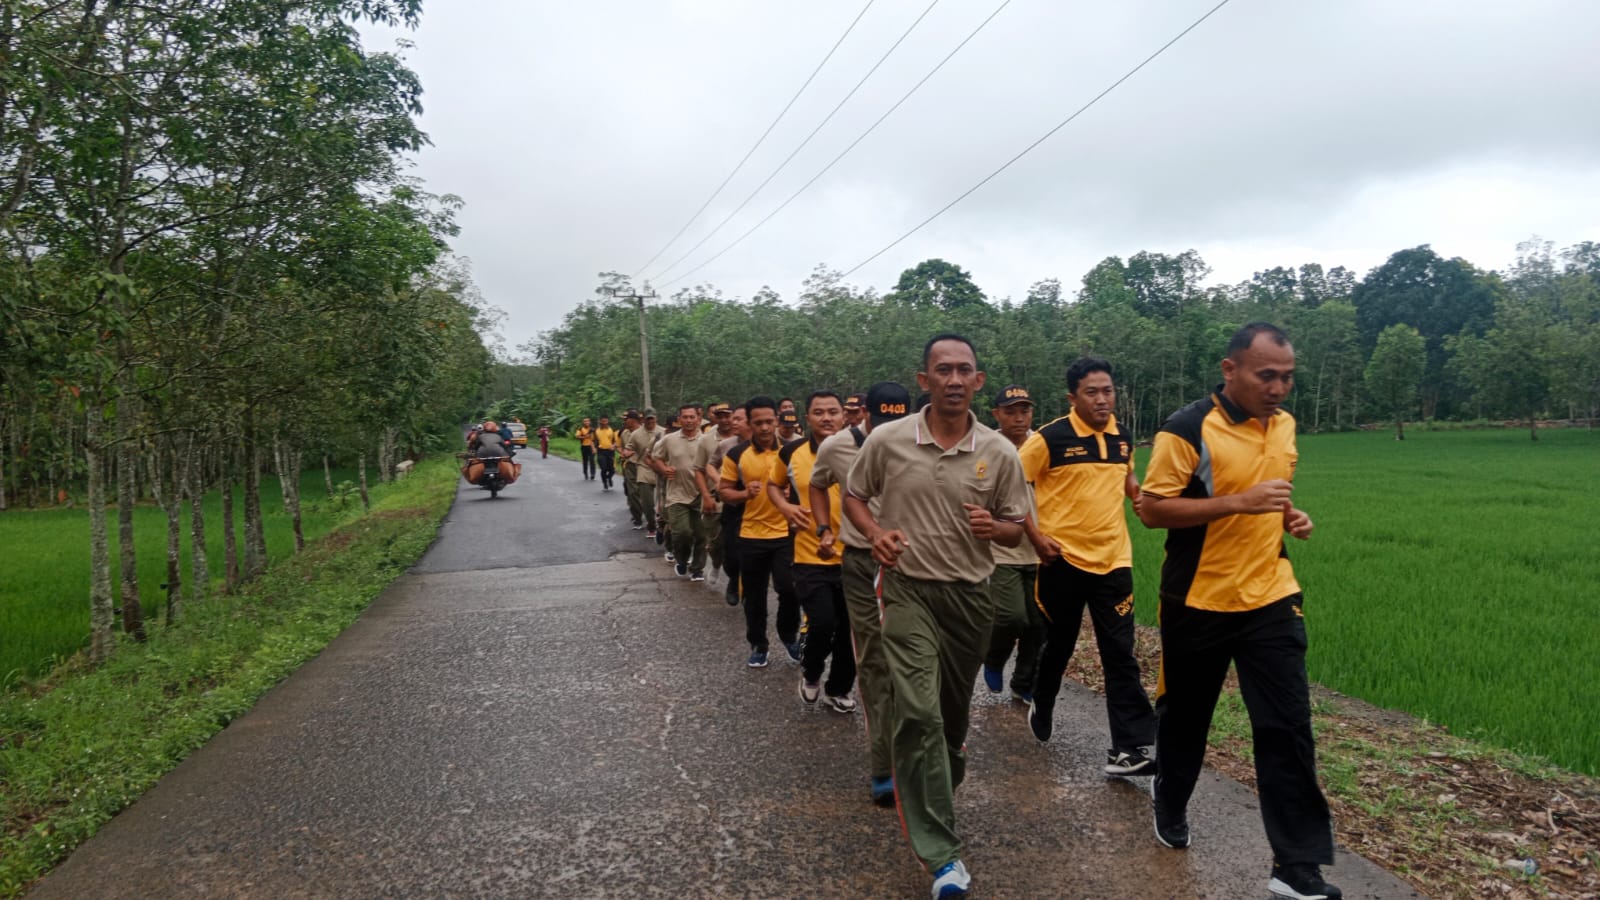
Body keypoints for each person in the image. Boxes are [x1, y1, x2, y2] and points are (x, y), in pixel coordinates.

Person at [1136, 323, 1339, 900]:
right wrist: (1238, 505)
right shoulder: (1186, 428)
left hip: (1271, 596)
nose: (1279, 388)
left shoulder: (1286, 426)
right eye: (1266, 375)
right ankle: (1169, 797)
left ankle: (1295, 867)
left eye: (1288, 377)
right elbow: (1152, 510)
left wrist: (1286, 517)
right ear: (1230, 370)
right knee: (1187, 720)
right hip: (1198, 600)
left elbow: (1271, 495)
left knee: (1287, 728)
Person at [844, 335, 1030, 900]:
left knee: (949, 722)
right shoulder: (888, 439)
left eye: (964, 371)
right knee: (918, 713)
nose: (954, 379)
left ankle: (941, 774)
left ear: (977, 381)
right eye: (942, 370)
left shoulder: (999, 451)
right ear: (924, 380)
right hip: (905, 592)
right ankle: (943, 856)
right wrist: (877, 535)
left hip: (971, 597)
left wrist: (992, 529)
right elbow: (855, 495)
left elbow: (1016, 526)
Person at [1020, 359, 1159, 780]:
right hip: (1062, 559)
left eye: (1108, 391)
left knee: (1120, 654)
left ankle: (1127, 748)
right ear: (1072, 398)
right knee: (1059, 643)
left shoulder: (1122, 435)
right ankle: (1042, 700)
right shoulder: (1048, 439)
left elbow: (1126, 479)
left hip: (1114, 561)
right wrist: (1036, 537)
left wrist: (1139, 495)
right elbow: (1009, 489)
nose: (1102, 399)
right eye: (1092, 392)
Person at [811, 381, 909, 805]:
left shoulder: (920, 443)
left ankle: (921, 747)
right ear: (863, 413)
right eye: (882, 419)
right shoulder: (835, 447)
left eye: (898, 419)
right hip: (860, 561)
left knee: (914, 657)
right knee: (874, 660)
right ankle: (883, 764)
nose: (890, 428)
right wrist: (822, 527)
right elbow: (817, 485)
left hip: (915, 561)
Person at [768, 391, 856, 713]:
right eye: (819, 412)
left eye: (833, 411)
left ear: (844, 416)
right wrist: (785, 507)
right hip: (809, 554)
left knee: (850, 630)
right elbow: (773, 485)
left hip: (854, 554)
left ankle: (840, 687)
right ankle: (812, 672)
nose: (826, 418)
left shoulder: (860, 448)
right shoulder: (791, 451)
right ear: (807, 418)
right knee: (822, 622)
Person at [719, 396, 801, 668]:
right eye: (758, 423)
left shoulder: (793, 450)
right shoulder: (736, 454)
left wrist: (793, 495)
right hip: (750, 534)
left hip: (785, 533)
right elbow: (725, 491)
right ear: (750, 425)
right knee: (754, 596)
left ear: (777, 420)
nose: (765, 428)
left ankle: (788, 635)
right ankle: (758, 644)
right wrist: (745, 493)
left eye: (769, 421)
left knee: (789, 589)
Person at [980, 385, 1046, 704]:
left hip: (1041, 548)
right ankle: (994, 658)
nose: (1019, 418)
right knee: (1010, 616)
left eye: (1025, 411)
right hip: (1002, 546)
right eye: (1010, 411)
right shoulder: (986, 448)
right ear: (997, 414)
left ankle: (1023, 682)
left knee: (1038, 622)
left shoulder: (1043, 445)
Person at [652, 404, 715, 580]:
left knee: (702, 535)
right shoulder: (669, 440)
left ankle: (697, 569)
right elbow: (655, 457)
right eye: (685, 417)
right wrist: (664, 469)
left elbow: (716, 464)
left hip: (702, 494)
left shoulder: (708, 440)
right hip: (677, 494)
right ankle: (681, 559)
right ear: (679, 420)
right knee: (682, 533)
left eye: (692, 417)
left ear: (699, 419)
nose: (688, 421)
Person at [711, 406, 750, 606]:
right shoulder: (727, 446)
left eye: (738, 419)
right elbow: (710, 465)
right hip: (733, 501)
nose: (733, 423)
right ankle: (734, 579)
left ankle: (751, 590)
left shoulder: (772, 444)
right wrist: (720, 481)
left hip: (759, 504)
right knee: (732, 552)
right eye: (732, 419)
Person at [622, 409, 664, 539]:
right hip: (643, 468)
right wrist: (627, 453)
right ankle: (651, 524)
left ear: (656, 418)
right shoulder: (636, 434)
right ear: (642, 420)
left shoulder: (663, 432)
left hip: (660, 469)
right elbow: (629, 448)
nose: (650, 421)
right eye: (647, 419)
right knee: (647, 501)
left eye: (652, 418)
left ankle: (662, 524)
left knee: (662, 501)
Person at [595, 415, 619, 491]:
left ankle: (609, 478)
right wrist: (593, 448)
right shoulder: (596, 431)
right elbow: (593, 441)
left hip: (610, 451)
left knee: (612, 469)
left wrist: (614, 446)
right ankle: (605, 483)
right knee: (604, 468)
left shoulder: (612, 430)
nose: (604, 423)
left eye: (606, 421)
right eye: (603, 421)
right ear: (600, 421)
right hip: (601, 451)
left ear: (608, 421)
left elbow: (616, 441)